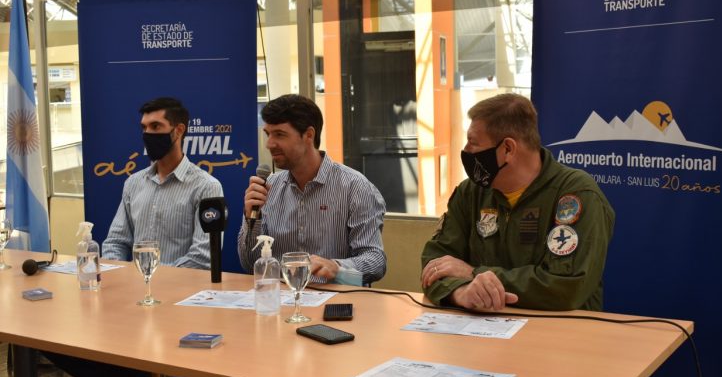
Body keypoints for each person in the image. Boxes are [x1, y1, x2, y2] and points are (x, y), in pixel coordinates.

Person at [421, 93, 614, 312]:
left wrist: (473, 273)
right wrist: (460, 292)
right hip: (481, 333)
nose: (466, 151)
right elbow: (435, 263)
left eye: (473, 142)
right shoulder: (471, 193)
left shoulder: (576, 194)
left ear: (508, 149)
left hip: (560, 335)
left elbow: (566, 286)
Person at [237, 94, 386, 285]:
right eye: (268, 134)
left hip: (333, 301)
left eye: (280, 135)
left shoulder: (354, 187)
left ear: (309, 135)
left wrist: (337, 267)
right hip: (280, 299)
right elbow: (249, 265)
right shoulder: (268, 188)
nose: (269, 144)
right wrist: (252, 220)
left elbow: (376, 260)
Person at [102, 97, 223, 269]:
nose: (148, 134)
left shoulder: (206, 186)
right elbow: (115, 242)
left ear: (179, 130)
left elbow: (203, 256)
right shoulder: (133, 183)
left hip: (183, 291)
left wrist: (152, 279)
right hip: (134, 288)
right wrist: (120, 276)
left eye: (156, 126)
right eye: (144, 127)